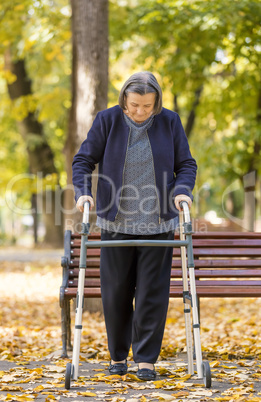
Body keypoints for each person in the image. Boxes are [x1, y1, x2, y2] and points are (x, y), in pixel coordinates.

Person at [72, 71, 197, 381]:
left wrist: (182, 191)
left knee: (153, 293)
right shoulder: (108, 120)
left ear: (157, 103)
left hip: (158, 222)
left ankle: (145, 360)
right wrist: (84, 193)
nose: (141, 112)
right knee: (115, 292)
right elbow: (83, 161)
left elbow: (186, 165)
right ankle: (117, 356)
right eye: (135, 105)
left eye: (148, 106)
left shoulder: (169, 122)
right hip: (116, 221)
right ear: (123, 101)